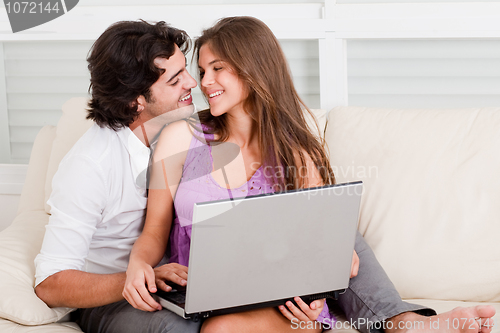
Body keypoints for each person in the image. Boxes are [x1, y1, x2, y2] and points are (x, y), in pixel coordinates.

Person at [124, 17, 496, 333]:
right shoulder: (180, 139)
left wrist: (322, 283)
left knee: (338, 231)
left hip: (282, 300)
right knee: (222, 326)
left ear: (254, 67)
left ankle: (406, 322)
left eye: (218, 68)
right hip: (201, 294)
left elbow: (320, 250)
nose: (205, 82)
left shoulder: (294, 151)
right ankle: (404, 323)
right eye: (203, 71)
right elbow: (155, 230)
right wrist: (139, 263)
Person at [34, 20, 201, 333]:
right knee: (178, 329)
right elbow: (49, 284)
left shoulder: (182, 131)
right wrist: (137, 277)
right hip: (112, 299)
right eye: (176, 79)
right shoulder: (90, 166)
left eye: (186, 70)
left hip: (176, 280)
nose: (192, 83)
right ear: (135, 100)